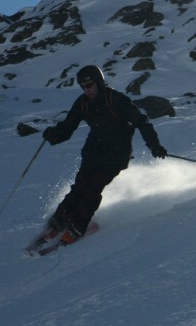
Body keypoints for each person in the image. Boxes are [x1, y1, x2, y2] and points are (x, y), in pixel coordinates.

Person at [41, 65, 167, 244]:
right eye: (83, 87)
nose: (87, 90)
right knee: (79, 187)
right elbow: (68, 127)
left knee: (93, 187)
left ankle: (77, 227)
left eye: (90, 85)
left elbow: (141, 122)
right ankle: (57, 224)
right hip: (93, 151)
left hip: (116, 154)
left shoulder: (115, 99)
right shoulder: (83, 103)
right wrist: (54, 135)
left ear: (99, 82)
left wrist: (154, 145)